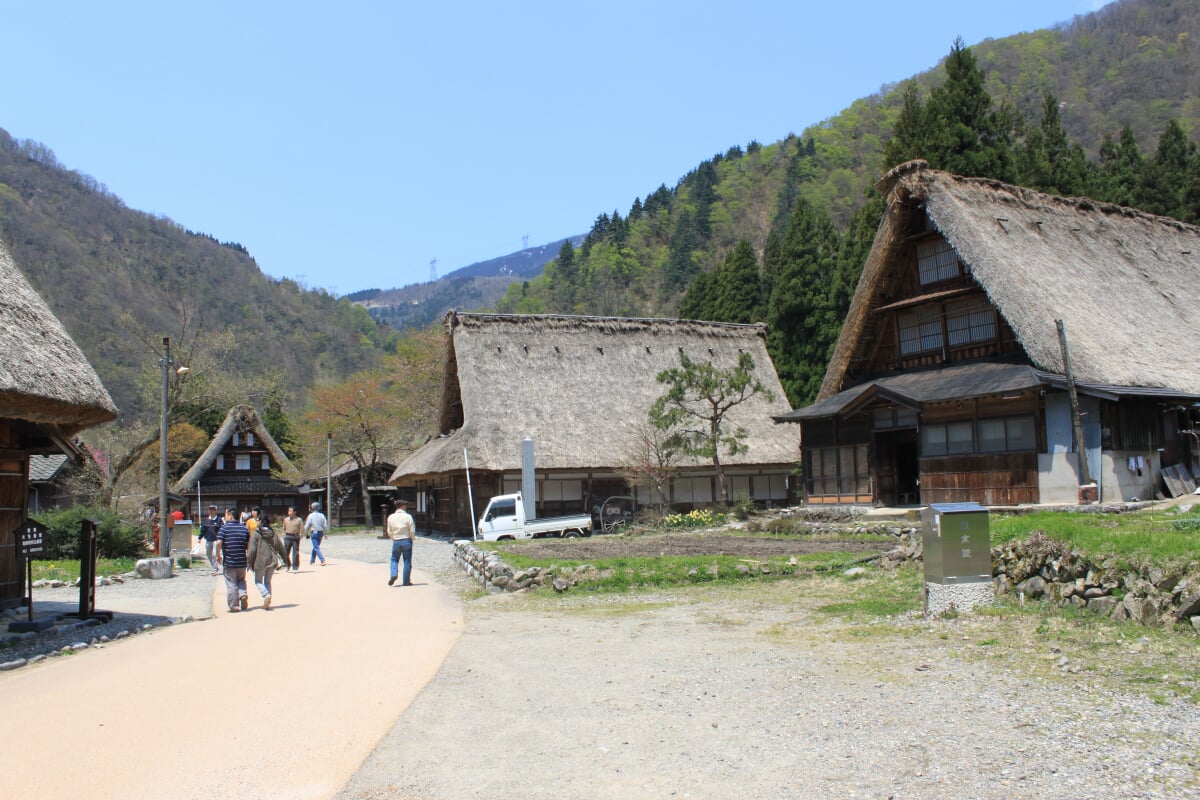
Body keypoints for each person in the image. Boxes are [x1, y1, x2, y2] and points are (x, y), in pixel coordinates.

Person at [247, 512, 287, 610]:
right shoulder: (273, 533)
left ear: (260, 521)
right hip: (272, 560)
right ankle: (268, 599)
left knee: (258, 581)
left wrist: (249, 562)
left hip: (260, 561)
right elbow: (281, 547)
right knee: (268, 582)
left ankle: (266, 595)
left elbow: (252, 550)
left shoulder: (256, 534)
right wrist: (285, 559)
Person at [215, 508, 251, 612]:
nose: (225, 517)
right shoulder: (244, 529)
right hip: (242, 560)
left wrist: (218, 555)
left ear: (230, 516)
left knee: (231, 583)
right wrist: (248, 555)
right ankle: (243, 594)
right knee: (241, 579)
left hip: (230, 561)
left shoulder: (224, 528)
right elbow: (249, 544)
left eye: (226, 515)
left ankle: (234, 605)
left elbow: (218, 543)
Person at [386, 499, 416, 586]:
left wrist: (393, 538)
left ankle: (393, 574)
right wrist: (412, 539)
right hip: (406, 539)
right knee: (407, 561)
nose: (406, 507)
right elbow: (412, 530)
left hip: (396, 540)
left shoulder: (391, 517)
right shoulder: (408, 517)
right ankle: (406, 581)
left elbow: (389, 530)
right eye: (405, 505)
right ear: (402, 506)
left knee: (394, 559)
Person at [198, 504, 223, 575]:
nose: (211, 511)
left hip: (216, 540)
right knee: (208, 554)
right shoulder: (206, 520)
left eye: (212, 509)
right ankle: (214, 566)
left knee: (215, 554)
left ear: (215, 511)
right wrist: (199, 538)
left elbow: (221, 529)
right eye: (210, 510)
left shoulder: (219, 520)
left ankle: (214, 569)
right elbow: (203, 530)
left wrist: (221, 538)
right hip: (208, 539)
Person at [304, 501, 328, 566]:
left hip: (314, 532)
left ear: (312, 508)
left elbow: (307, 526)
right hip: (321, 533)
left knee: (316, 547)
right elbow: (325, 525)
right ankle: (312, 561)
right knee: (316, 546)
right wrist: (325, 533)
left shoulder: (310, 516)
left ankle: (322, 560)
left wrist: (306, 533)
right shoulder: (322, 515)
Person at [281, 506, 303, 572]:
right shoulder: (286, 519)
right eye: (288, 511)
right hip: (287, 537)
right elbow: (283, 528)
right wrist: (283, 534)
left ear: (295, 512)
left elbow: (301, 529)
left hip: (295, 537)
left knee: (295, 553)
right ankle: (288, 565)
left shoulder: (299, 520)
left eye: (291, 511)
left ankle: (295, 567)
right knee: (285, 552)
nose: (289, 513)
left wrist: (300, 535)